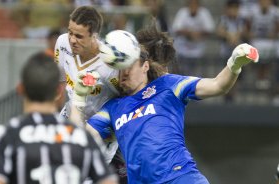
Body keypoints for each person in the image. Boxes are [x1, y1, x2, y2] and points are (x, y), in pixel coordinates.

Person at [71, 40, 259, 183]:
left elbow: (217, 85)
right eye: (119, 68)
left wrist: (234, 64)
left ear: (145, 66)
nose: (124, 72)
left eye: (129, 65)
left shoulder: (168, 85)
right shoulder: (113, 108)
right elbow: (80, 139)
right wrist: (78, 97)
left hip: (181, 177)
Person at [0, 53, 118, 184]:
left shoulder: (9, 136)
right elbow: (108, 181)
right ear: (59, 91)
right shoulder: (82, 137)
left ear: (21, 89)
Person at [54, 6, 127, 182]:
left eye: (79, 36)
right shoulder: (62, 43)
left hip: (100, 134)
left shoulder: (110, 66)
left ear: (95, 36)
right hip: (70, 121)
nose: (72, 39)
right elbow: (59, 83)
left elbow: (125, 101)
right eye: (70, 32)